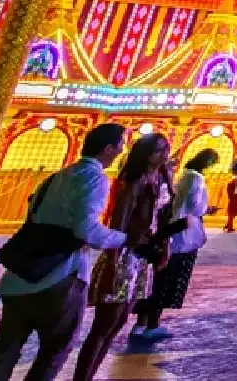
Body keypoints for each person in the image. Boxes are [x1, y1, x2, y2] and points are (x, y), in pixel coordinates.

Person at [0, 123, 131, 381]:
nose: (122, 149)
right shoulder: (95, 178)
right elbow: (86, 229)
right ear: (108, 148)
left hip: (23, 272)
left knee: (5, 347)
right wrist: (125, 239)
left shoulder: (58, 176)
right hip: (60, 274)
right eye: (121, 144)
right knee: (55, 349)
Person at [72, 133, 172, 381]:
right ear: (145, 153)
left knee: (119, 322)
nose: (164, 155)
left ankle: (89, 374)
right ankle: (82, 376)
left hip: (143, 255)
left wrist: (164, 245)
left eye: (166, 149)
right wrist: (112, 261)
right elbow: (119, 223)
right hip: (124, 253)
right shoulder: (134, 181)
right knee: (104, 324)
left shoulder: (162, 178)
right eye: (158, 150)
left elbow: (161, 217)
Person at [129, 149, 216, 344]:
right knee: (165, 282)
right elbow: (195, 206)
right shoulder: (195, 178)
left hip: (163, 233)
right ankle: (152, 325)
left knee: (153, 281)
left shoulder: (181, 176)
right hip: (178, 234)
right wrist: (207, 209)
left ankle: (140, 324)